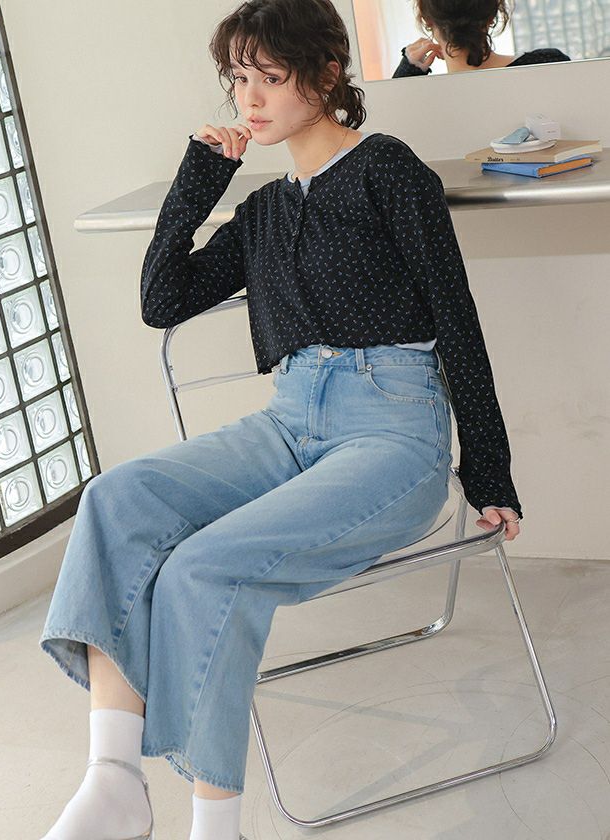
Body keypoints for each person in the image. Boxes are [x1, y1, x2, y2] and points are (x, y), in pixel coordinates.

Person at [38, 1, 523, 838]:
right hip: (289, 424)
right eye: (238, 79)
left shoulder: (388, 171)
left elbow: (457, 316)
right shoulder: (263, 211)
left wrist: (488, 470)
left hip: (392, 434)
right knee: (114, 501)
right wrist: (199, 179)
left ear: (327, 72)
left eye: (269, 76)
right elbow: (162, 301)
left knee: (201, 568)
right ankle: (114, 779)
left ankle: (215, 826)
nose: (249, 99)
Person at [393, 0, 571, 77]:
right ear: (492, 15)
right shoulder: (548, 63)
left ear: (427, 20)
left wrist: (406, 75)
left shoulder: (420, 97)